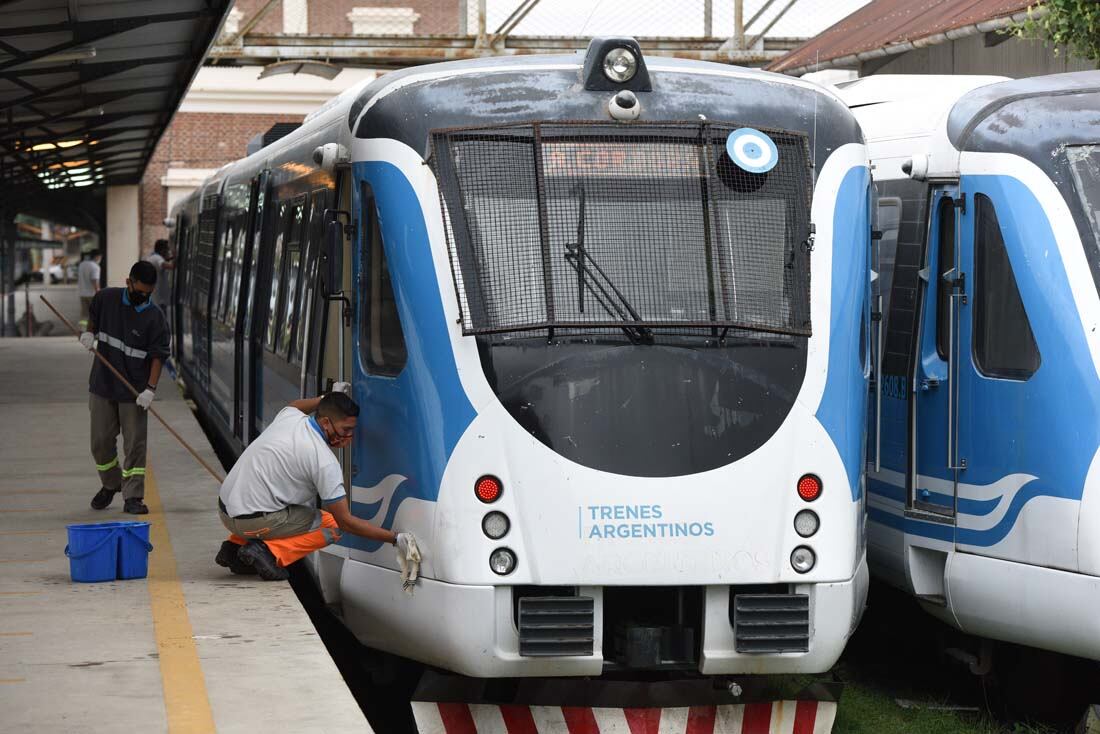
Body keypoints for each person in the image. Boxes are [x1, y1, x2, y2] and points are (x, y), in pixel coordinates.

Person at [215, 389, 414, 581]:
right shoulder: (324, 461)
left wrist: (326, 399)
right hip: (253, 522)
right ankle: (269, 552)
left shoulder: (290, 418)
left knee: (280, 505)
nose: (349, 437)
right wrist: (395, 538)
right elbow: (346, 522)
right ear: (326, 423)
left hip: (226, 512)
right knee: (333, 525)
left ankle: (233, 548)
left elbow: (295, 405)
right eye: (346, 429)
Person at [79, 261, 170, 515]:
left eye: (148, 293)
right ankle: (111, 484)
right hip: (102, 385)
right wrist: (89, 334)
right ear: (128, 282)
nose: (143, 297)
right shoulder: (105, 298)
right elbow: (93, 318)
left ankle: (133, 496)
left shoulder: (155, 318)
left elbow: (158, 356)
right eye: (139, 291)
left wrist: (150, 390)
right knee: (100, 442)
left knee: (135, 445)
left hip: (134, 392)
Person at [76, 249, 101, 330]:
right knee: (94, 313)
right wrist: (98, 292)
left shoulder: (82, 264)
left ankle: (82, 330)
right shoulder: (95, 266)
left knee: (84, 314)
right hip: (92, 294)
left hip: (82, 293)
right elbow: (94, 280)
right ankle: (92, 331)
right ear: (97, 256)